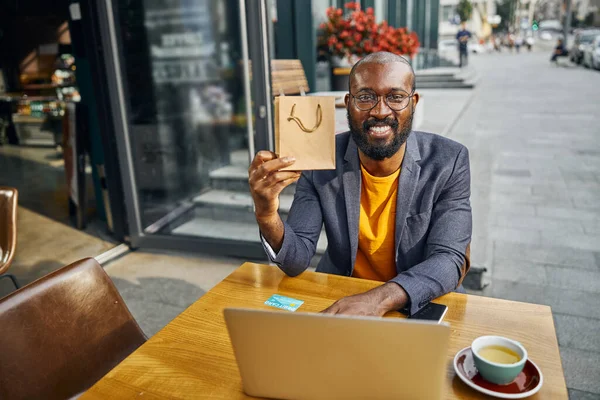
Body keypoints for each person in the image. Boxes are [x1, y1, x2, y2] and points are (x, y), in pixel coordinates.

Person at [248, 52, 472, 317]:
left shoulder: (448, 160)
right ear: (348, 104)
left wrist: (377, 299)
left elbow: (449, 259)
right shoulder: (322, 160)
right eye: (365, 97)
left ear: (413, 103)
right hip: (342, 300)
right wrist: (266, 214)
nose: (379, 111)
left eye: (395, 97)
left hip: (415, 304)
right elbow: (296, 260)